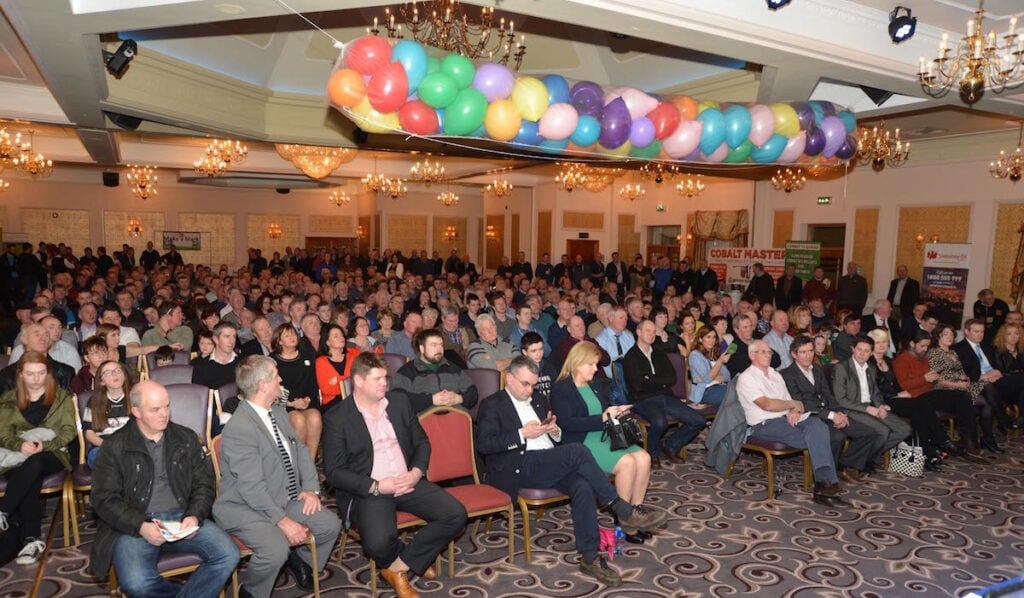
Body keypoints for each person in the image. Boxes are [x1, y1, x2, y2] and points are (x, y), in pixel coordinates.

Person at [476, 356, 668, 588]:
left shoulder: (538, 399)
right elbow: (484, 445)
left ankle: (589, 557)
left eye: (533, 385)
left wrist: (554, 431)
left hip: (547, 460)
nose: (530, 390)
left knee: (582, 486)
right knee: (577, 451)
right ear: (509, 378)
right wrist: (521, 434)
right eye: (525, 384)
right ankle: (621, 508)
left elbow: (556, 437)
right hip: (519, 464)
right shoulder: (492, 404)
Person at [322, 353, 466, 598]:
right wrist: (377, 486)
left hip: (407, 479)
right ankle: (410, 558)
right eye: (377, 379)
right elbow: (334, 472)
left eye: (385, 378)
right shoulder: (337, 417)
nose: (384, 383)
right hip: (370, 491)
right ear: (358, 381)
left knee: (456, 515)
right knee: (378, 543)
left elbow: (422, 443)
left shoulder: (398, 402)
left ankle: (399, 567)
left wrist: (416, 472)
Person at [89, 379, 239, 596]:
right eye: (155, 410)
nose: (164, 414)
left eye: (167, 406)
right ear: (136, 412)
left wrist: (194, 515)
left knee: (228, 554)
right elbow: (103, 499)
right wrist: (140, 525)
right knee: (137, 583)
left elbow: (204, 484)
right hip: (136, 521)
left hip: (182, 517)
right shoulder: (115, 446)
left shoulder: (185, 438)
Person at [213, 356, 340, 598]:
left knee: (329, 525)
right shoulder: (240, 428)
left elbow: (299, 448)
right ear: (263, 385)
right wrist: (282, 520)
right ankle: (251, 591)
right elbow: (251, 488)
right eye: (276, 375)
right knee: (275, 549)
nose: (280, 379)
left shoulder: (277, 412)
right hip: (244, 506)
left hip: (282, 496)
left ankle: (300, 562)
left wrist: (310, 488)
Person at [550, 342, 656, 544]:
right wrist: (601, 418)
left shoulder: (595, 384)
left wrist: (616, 412)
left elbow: (602, 411)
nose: (595, 369)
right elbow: (566, 423)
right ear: (577, 363)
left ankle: (636, 513)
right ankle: (624, 519)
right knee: (627, 463)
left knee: (644, 458)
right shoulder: (562, 389)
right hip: (582, 442)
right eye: (591, 364)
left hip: (603, 435)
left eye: (596, 364)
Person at [736, 340, 845, 505]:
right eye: (763, 352)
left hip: (786, 418)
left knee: (818, 425)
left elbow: (793, 403)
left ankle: (823, 484)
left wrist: (794, 410)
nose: (768, 355)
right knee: (818, 437)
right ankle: (825, 484)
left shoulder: (775, 375)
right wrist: (792, 405)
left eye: (770, 352)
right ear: (752, 355)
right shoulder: (747, 378)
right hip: (764, 424)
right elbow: (767, 405)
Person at [0, 352, 76, 565]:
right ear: (20, 375)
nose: (36, 379)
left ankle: (4, 511)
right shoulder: (8, 399)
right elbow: (3, 433)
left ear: (48, 373)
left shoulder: (61, 396)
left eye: (41, 373)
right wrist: (20, 445)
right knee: (28, 476)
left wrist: (45, 445)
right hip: (18, 454)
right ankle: (31, 540)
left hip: (54, 452)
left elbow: (69, 431)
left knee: (36, 462)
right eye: (30, 374)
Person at [781, 335, 886, 483]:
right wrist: (832, 415)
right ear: (794, 354)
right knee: (837, 437)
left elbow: (828, 394)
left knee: (868, 433)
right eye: (803, 352)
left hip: (828, 412)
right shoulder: (787, 374)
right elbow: (802, 404)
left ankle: (840, 465)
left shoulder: (817, 369)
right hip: (810, 417)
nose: (808, 355)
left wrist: (839, 412)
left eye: (811, 351)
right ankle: (826, 473)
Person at [622, 320, 706, 468]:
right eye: (648, 331)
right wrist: (660, 381)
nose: (652, 334)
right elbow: (638, 384)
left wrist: (650, 378)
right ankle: (652, 453)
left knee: (698, 420)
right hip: (642, 399)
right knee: (660, 422)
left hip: (665, 396)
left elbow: (671, 378)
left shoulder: (659, 353)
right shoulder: (630, 356)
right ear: (638, 332)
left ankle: (670, 445)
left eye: (654, 331)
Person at [866, 329, 949, 471]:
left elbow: (897, 384)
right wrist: (895, 395)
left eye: (885, 342)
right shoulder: (868, 363)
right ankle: (941, 441)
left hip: (894, 398)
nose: (882, 345)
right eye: (878, 342)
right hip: (880, 402)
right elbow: (872, 389)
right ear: (871, 345)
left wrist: (903, 393)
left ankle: (928, 454)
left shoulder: (888, 361)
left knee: (919, 414)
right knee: (922, 405)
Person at [893, 330, 984, 458]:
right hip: (917, 396)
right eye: (922, 346)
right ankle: (949, 442)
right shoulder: (901, 360)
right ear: (912, 344)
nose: (925, 349)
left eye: (927, 346)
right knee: (958, 399)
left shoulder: (923, 357)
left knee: (963, 396)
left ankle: (968, 439)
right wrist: (925, 379)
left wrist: (932, 378)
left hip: (928, 391)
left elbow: (929, 384)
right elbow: (904, 385)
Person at [829, 335, 911, 470]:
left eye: (866, 351)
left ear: (872, 353)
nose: (862, 354)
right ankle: (855, 461)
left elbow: (875, 393)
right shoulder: (842, 368)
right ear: (853, 349)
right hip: (852, 410)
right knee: (883, 431)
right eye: (859, 349)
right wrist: (867, 409)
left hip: (871, 407)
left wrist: (880, 406)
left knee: (904, 429)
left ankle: (866, 457)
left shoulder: (871, 368)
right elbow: (841, 400)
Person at [928, 323, 1007, 454]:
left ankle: (988, 439)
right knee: (986, 387)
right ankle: (1002, 421)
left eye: (952, 334)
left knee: (987, 403)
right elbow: (939, 379)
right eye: (945, 334)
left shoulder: (952, 352)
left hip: (962, 386)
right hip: (947, 389)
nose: (950, 337)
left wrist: (964, 378)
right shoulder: (934, 352)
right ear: (938, 336)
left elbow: (962, 373)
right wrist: (958, 383)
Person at [954, 318, 1024, 429]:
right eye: (977, 332)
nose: (980, 335)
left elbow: (997, 366)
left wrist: (997, 372)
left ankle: (1014, 419)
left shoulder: (986, 346)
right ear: (966, 331)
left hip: (997, 380)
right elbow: (961, 372)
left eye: (982, 331)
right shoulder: (958, 349)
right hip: (978, 383)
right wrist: (983, 377)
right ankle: (1005, 420)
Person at [390, 329, 478, 414]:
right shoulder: (407, 371)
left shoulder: (453, 368)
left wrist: (459, 398)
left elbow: (473, 392)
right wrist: (431, 399)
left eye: (441, 345)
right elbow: (398, 399)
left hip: (457, 416)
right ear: (422, 349)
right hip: (424, 419)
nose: (439, 349)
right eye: (434, 345)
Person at [270, 324, 321, 463]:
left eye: (293, 334)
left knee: (315, 417)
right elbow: (273, 389)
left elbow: (313, 382)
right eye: (287, 335)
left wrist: (307, 399)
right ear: (279, 341)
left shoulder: (307, 355)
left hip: (307, 401)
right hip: (284, 405)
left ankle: (310, 464)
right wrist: (291, 403)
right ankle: (297, 464)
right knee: (298, 420)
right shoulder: (272, 360)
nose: (292, 337)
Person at [83, 361, 133, 468]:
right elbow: (89, 433)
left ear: (124, 375)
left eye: (118, 370)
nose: (115, 374)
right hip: (103, 446)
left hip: (130, 445)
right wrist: (108, 446)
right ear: (102, 381)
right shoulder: (94, 402)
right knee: (98, 457)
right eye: (108, 372)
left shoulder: (135, 397)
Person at [315, 323, 359, 409]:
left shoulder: (353, 356)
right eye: (336, 336)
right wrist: (347, 382)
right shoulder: (321, 361)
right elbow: (326, 389)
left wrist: (338, 380)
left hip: (355, 397)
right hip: (333, 402)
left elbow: (360, 379)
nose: (341, 338)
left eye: (342, 335)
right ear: (327, 342)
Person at [688, 327, 732, 407]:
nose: (712, 340)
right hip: (704, 392)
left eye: (714, 337)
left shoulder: (714, 356)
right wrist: (720, 362)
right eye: (708, 337)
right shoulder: (695, 355)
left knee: (737, 393)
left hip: (719, 388)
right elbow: (707, 378)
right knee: (734, 392)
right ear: (700, 339)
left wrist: (713, 376)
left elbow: (727, 376)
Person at [520, 331, 560, 399]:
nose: (538, 354)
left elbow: (557, 391)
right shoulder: (520, 371)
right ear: (524, 352)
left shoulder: (550, 367)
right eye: (533, 351)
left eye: (541, 349)